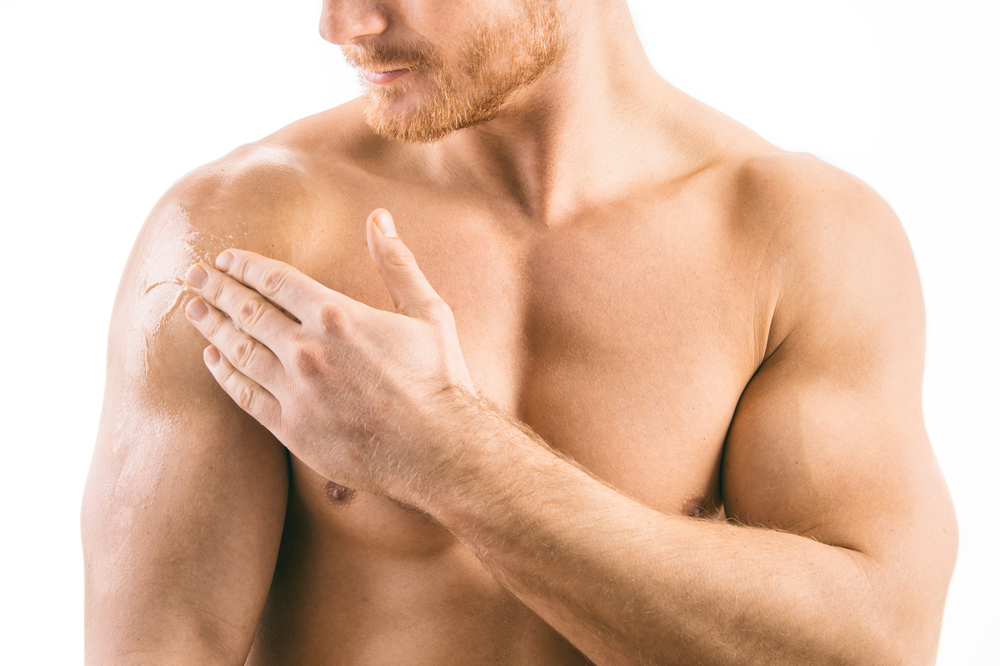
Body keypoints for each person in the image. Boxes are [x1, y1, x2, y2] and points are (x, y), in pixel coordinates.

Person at [81, 0, 958, 664]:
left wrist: (444, 456)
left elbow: (875, 643)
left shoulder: (795, 239)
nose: (342, 22)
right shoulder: (244, 233)